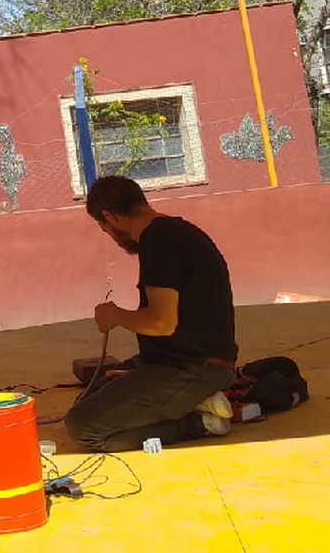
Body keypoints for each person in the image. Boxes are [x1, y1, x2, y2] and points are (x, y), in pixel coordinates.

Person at [65, 174, 239, 452]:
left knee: (83, 427)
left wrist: (117, 316)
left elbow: (162, 322)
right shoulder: (171, 232)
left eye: (105, 229)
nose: (112, 238)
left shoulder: (159, 240)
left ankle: (200, 421)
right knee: (90, 398)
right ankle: (187, 403)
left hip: (192, 368)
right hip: (175, 361)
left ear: (110, 216)